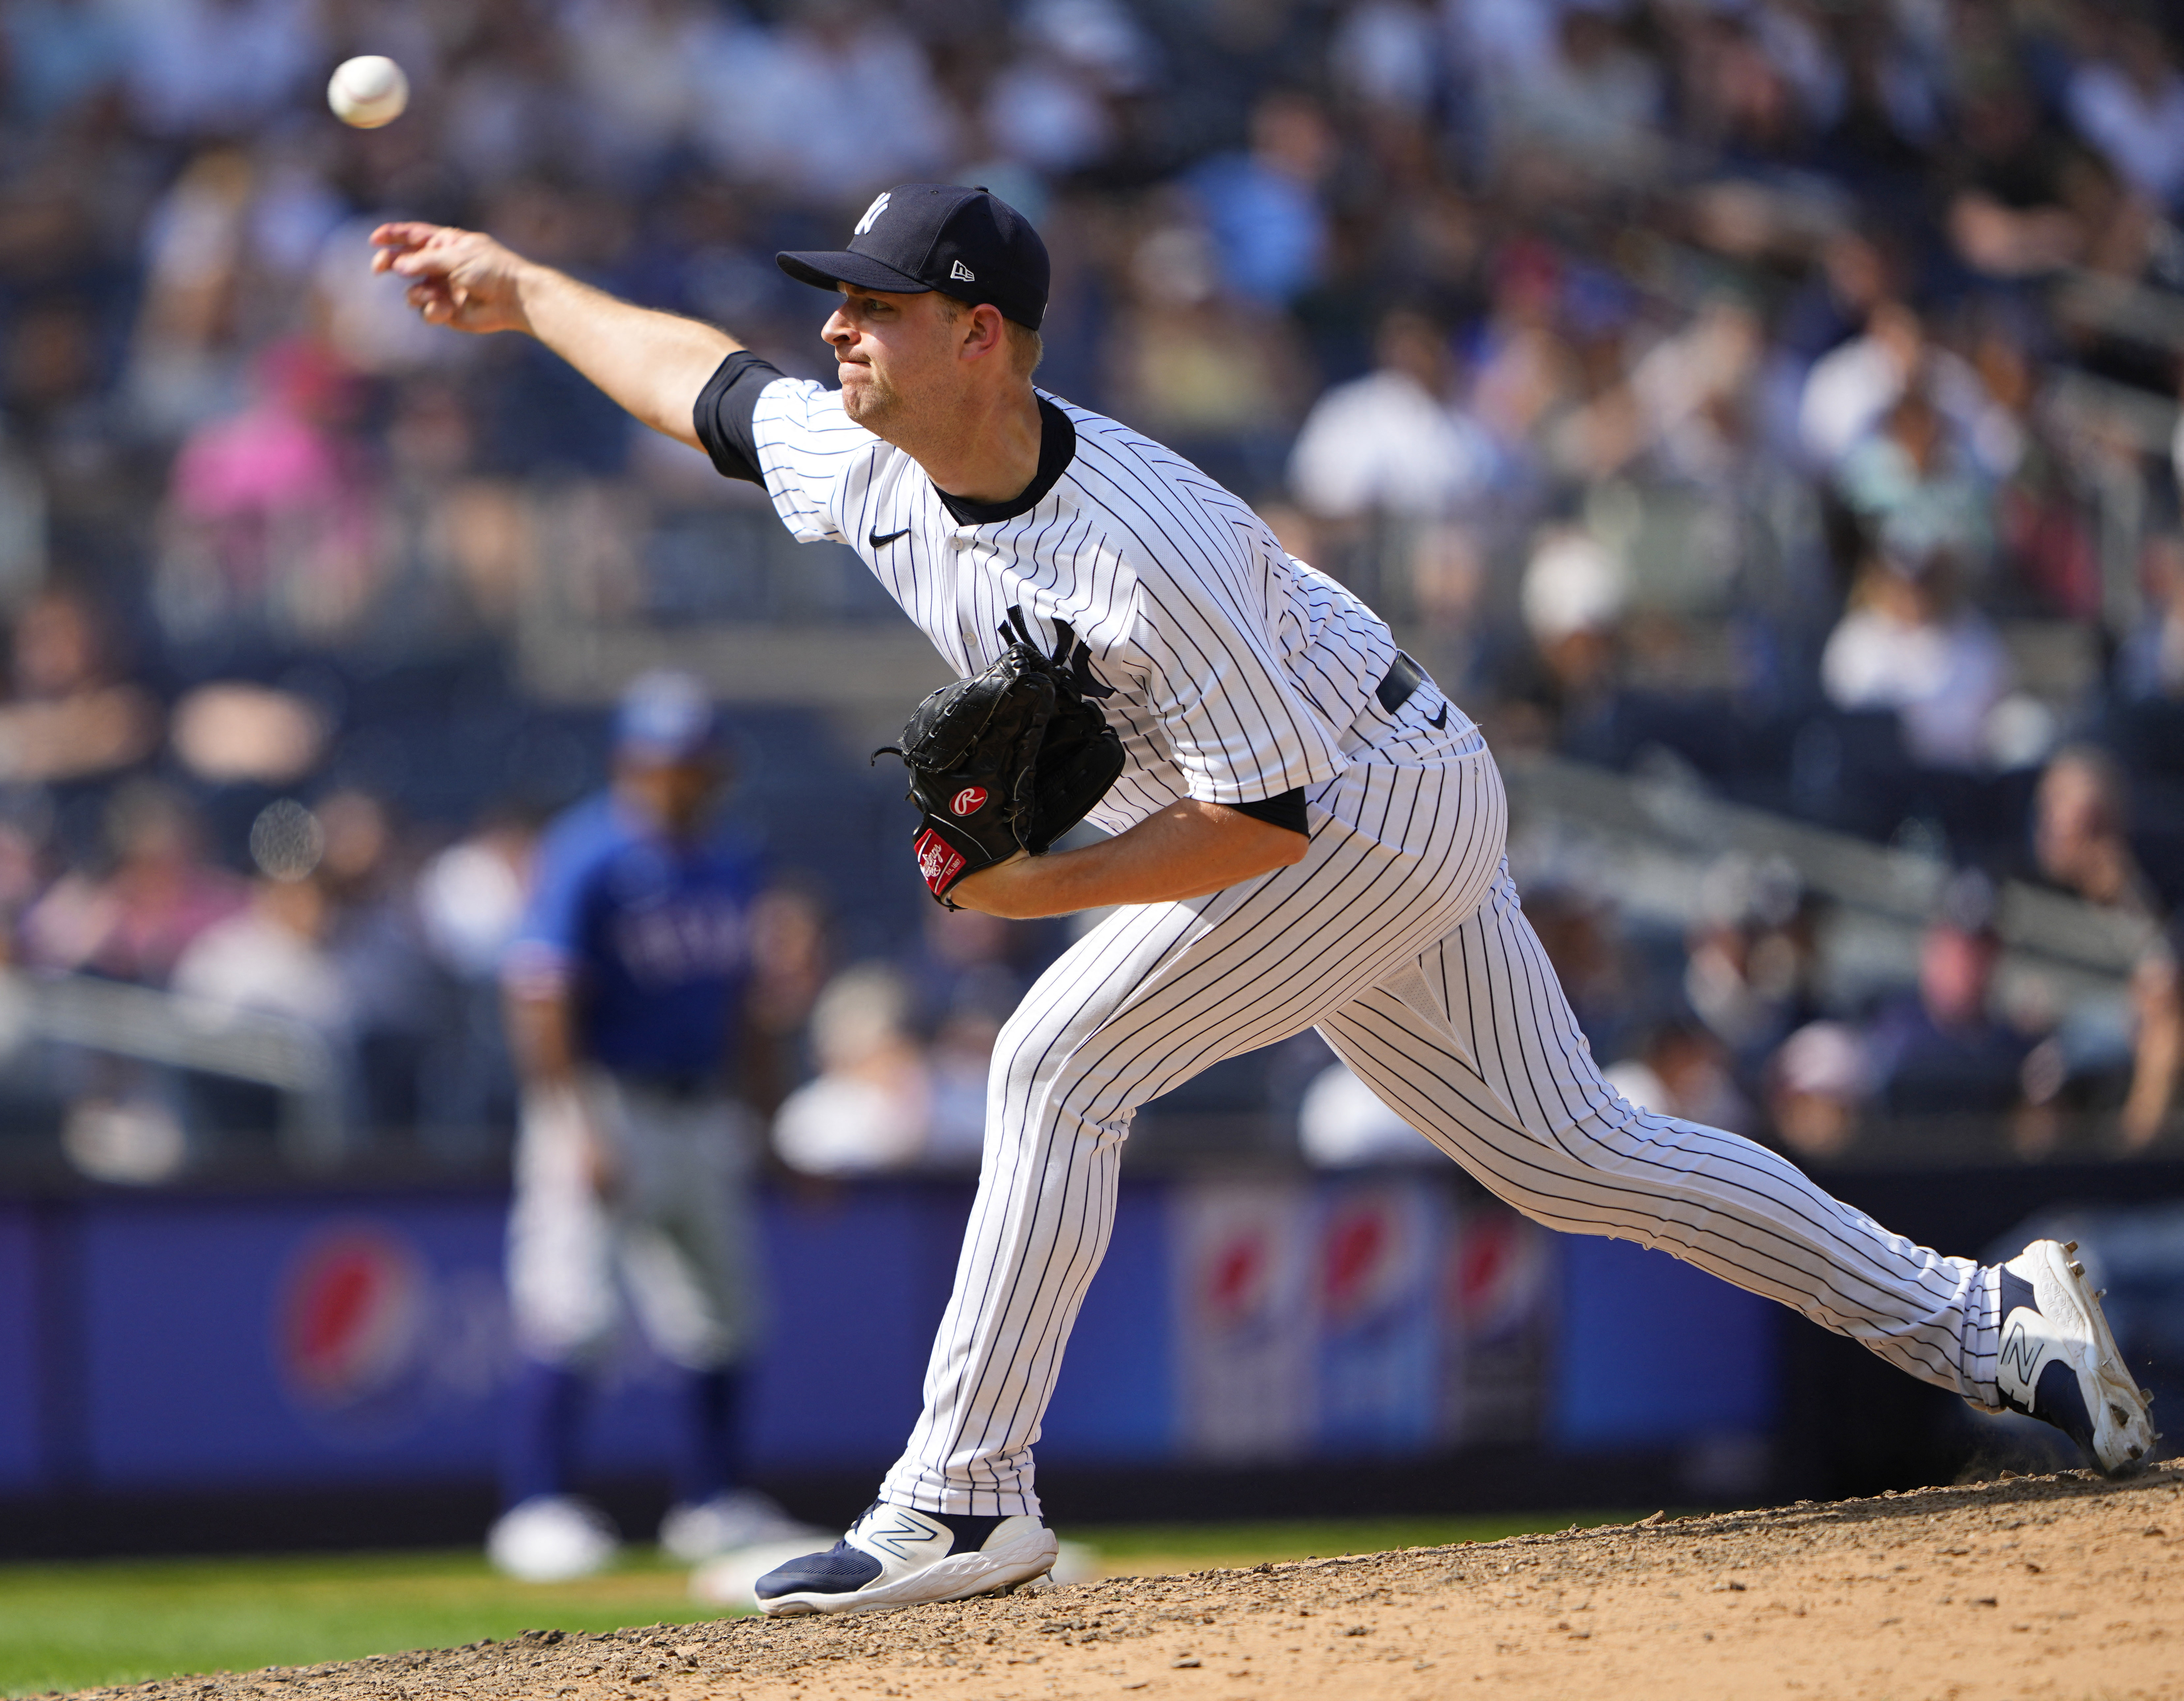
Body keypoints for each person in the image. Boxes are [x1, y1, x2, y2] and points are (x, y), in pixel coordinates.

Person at [371, 183, 2156, 1616]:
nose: (834, 327)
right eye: (837, 299)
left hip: (1362, 808)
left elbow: (1265, 826)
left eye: (877, 304)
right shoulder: (876, 463)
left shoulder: (1151, 535)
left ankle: (963, 1503)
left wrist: (1044, 889)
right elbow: (701, 379)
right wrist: (522, 287)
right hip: (1368, 790)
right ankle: (1988, 1324)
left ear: (978, 334)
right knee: (1575, 1158)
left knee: (1057, 1065)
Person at [484, 671, 812, 1582]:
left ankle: (714, 1500)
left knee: (725, 1313)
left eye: (694, 761)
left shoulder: (732, 858)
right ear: (632, 762)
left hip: (701, 1104)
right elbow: (542, 997)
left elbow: (747, 1007)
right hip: (607, 1099)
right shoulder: (588, 852)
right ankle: (536, 1503)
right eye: (666, 761)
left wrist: (770, 1124)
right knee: (573, 1305)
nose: (680, 777)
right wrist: (573, 1121)